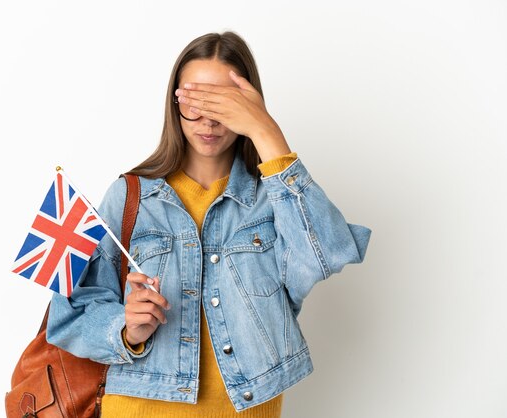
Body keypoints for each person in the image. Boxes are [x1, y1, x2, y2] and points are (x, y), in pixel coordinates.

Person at [46, 31, 371, 417]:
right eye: (194, 103)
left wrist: (267, 133)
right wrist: (126, 330)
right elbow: (69, 313)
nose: (208, 120)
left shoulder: (275, 199)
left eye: (222, 104)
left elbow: (327, 253)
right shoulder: (130, 196)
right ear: (174, 104)